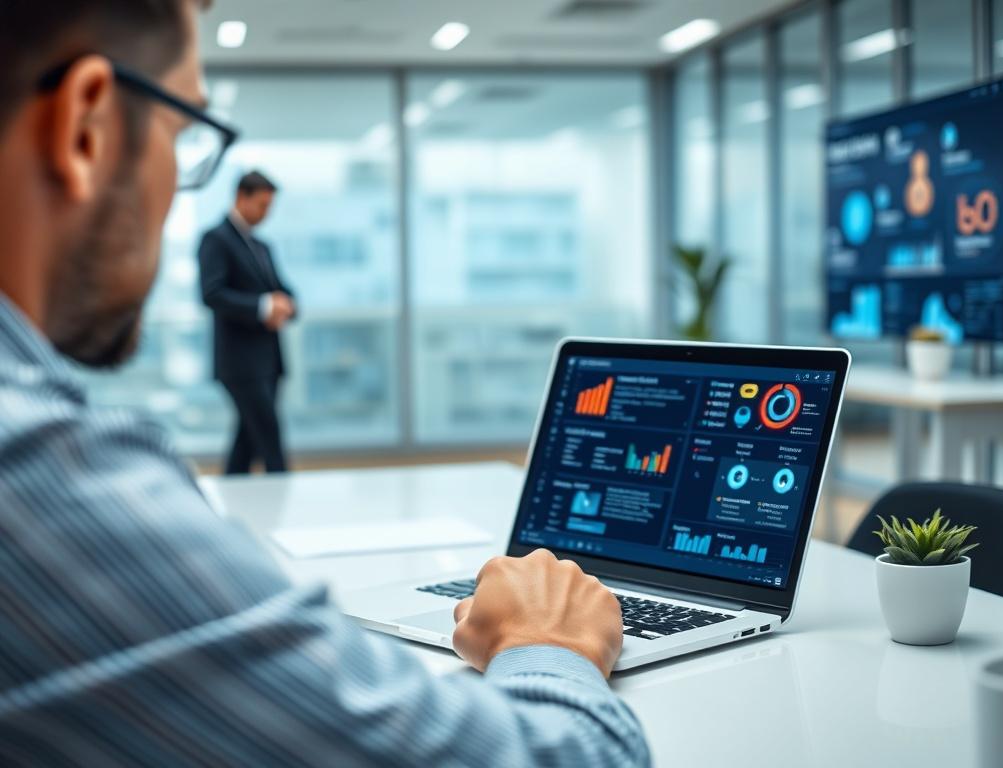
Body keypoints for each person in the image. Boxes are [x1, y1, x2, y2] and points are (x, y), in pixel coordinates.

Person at [0, 1, 650, 766]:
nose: (179, 178)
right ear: (85, 127)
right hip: (243, 360)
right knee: (261, 440)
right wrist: (551, 642)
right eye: (182, 134)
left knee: (260, 443)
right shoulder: (39, 472)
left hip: (264, 362)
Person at [199, 171, 296, 474]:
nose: (266, 213)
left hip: (268, 359)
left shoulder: (262, 247)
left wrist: (285, 306)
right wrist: (264, 306)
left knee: (247, 442)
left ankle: (229, 500)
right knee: (270, 439)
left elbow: (284, 291)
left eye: (270, 206)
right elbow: (211, 293)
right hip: (239, 362)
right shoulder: (216, 239)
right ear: (241, 197)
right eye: (262, 205)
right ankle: (286, 506)